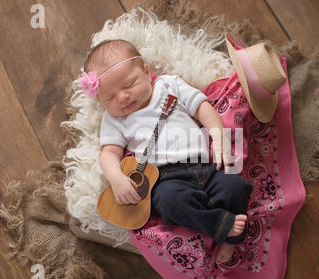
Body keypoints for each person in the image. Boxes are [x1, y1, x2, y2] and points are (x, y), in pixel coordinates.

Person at [81, 39, 253, 264]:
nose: (123, 97)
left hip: (207, 168)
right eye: (110, 98)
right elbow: (109, 154)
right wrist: (115, 178)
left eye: (129, 84)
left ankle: (226, 237)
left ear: (145, 71)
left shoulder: (169, 85)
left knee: (235, 186)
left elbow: (202, 108)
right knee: (169, 203)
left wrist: (218, 135)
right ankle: (222, 225)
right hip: (166, 179)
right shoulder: (115, 119)